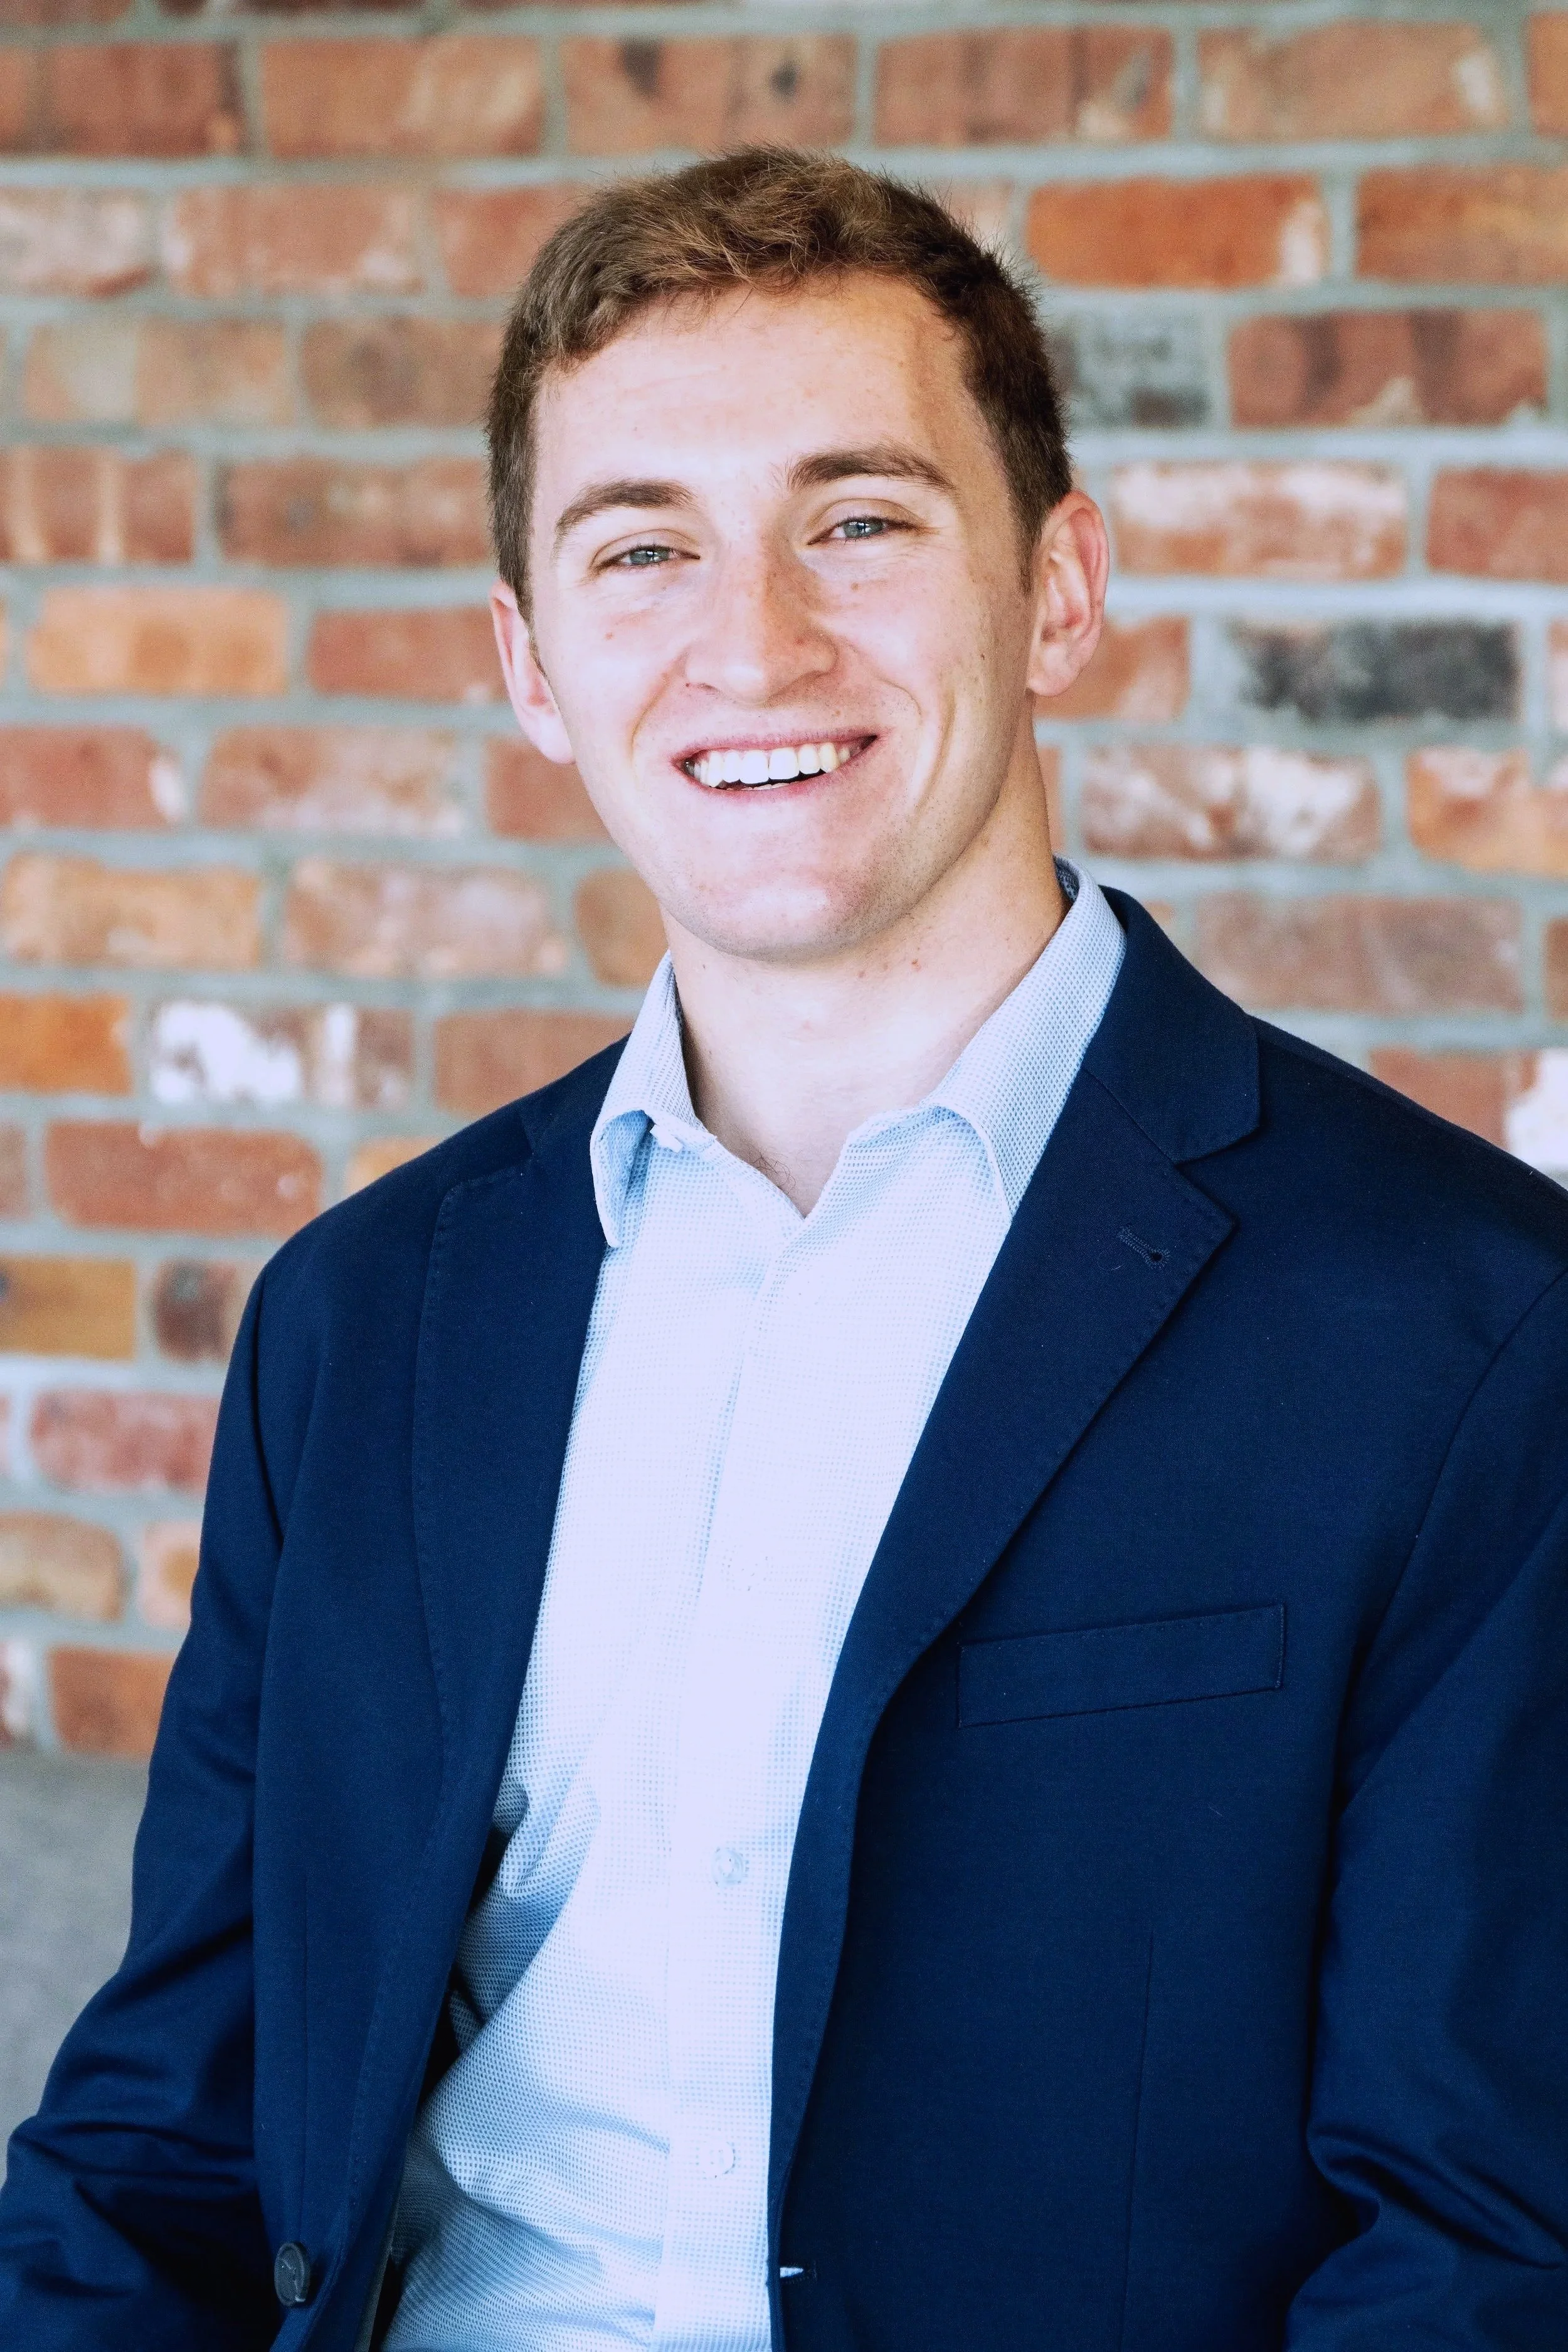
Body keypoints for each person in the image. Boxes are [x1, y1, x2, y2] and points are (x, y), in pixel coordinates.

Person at [1, 145, 1565, 2352]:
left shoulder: (1464, 1331)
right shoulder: (363, 1326)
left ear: (1056, 590)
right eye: (644, 549)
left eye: (857, 520)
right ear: (533, 669)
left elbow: (1483, 2248)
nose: (754, 644)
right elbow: (164, 2138)